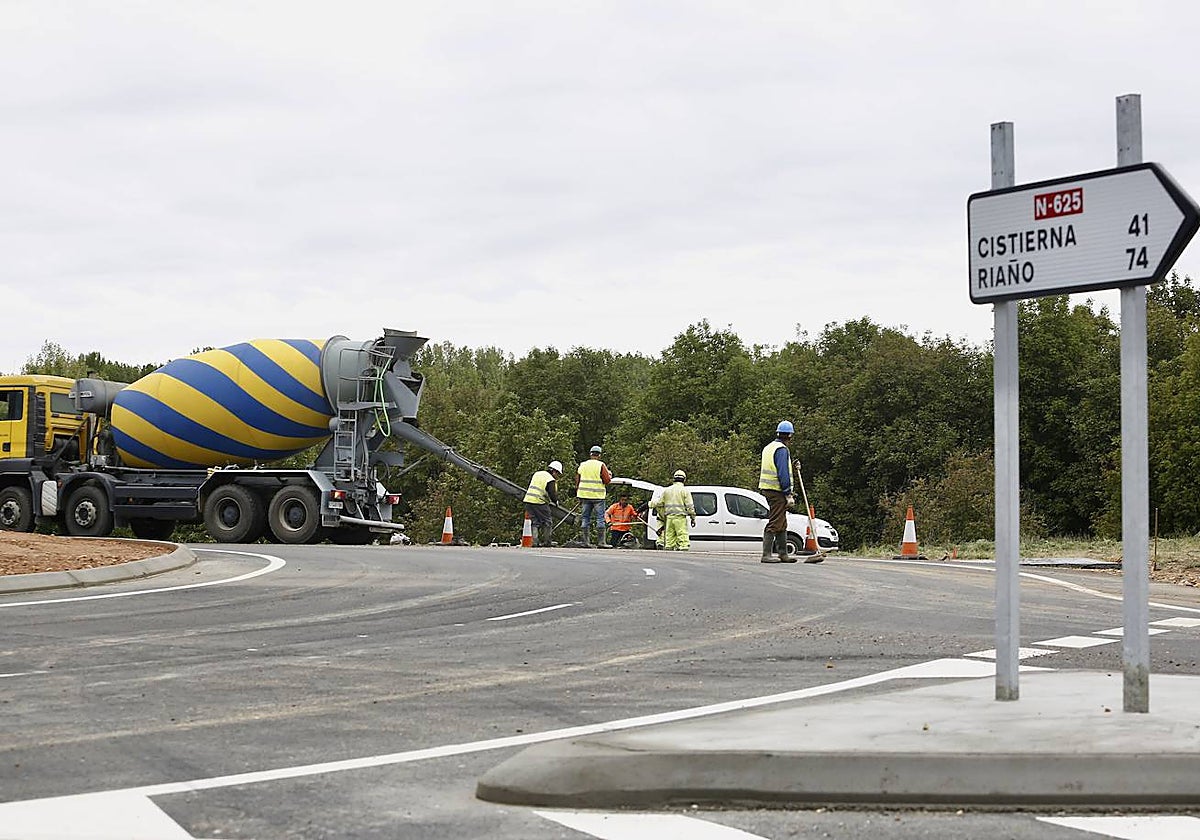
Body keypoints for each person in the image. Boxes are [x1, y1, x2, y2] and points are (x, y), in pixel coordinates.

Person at [759, 420, 801, 564]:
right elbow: (782, 472)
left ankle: (783, 554)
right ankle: (766, 554)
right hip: (777, 490)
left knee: (781, 522)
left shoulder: (769, 447)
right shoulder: (782, 450)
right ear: (789, 435)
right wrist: (788, 492)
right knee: (775, 521)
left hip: (768, 489)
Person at [575, 444, 612, 547]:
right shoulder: (601, 465)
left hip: (584, 495)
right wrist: (609, 475)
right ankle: (601, 542)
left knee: (585, 517)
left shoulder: (583, 464)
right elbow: (607, 480)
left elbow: (577, 478)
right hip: (598, 496)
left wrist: (578, 492)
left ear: (590, 454)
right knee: (600, 518)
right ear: (599, 455)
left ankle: (586, 542)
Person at [653, 470, 696, 551]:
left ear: (674, 479)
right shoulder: (685, 491)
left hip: (669, 518)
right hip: (680, 518)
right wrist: (692, 517)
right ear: (684, 479)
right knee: (682, 537)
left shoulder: (667, 490)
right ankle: (683, 553)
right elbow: (690, 507)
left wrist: (650, 504)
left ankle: (669, 555)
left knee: (669, 539)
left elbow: (659, 503)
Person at [523, 460, 563, 547]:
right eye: (558, 474)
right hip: (539, 501)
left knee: (535, 522)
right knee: (547, 521)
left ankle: (535, 542)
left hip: (528, 500)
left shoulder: (537, 473)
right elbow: (552, 493)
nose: (557, 476)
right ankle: (547, 542)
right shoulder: (550, 479)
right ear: (554, 471)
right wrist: (556, 501)